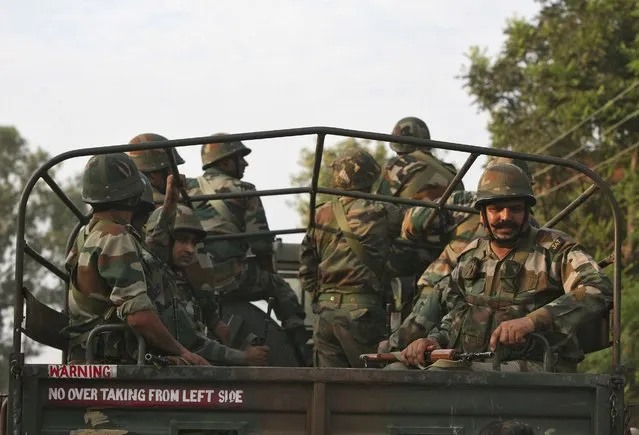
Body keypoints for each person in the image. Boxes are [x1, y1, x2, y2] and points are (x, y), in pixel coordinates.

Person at [398, 162, 613, 372]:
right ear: (482, 214)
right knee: (396, 371)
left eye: (515, 209)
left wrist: (530, 322)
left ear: (527, 212)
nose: (505, 217)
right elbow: (455, 317)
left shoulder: (553, 249)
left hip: (540, 366)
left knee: (443, 375)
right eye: (496, 209)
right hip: (477, 366)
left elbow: (597, 288)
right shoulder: (472, 256)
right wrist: (432, 341)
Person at [64, 153, 207, 366]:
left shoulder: (88, 234)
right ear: (134, 197)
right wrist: (183, 352)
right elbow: (138, 317)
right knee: (204, 370)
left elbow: (150, 251)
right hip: (114, 360)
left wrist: (170, 202)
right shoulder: (116, 237)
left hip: (90, 355)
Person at [381, 158, 534, 352]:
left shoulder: (465, 201)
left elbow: (412, 223)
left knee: (409, 353)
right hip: (485, 308)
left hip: (442, 293)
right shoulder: (530, 225)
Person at [186, 135, 307, 352]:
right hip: (229, 279)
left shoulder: (186, 189)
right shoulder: (244, 190)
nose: (245, 163)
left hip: (191, 280)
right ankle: (303, 353)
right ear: (225, 162)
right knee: (282, 290)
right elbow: (260, 244)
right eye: (240, 158)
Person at [299, 148, 409, 367]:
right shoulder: (383, 211)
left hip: (324, 313)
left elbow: (306, 269)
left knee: (328, 388)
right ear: (371, 176)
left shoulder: (319, 213)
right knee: (369, 385)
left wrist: (324, 297)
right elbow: (415, 230)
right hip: (362, 312)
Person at [144, 202, 270, 366]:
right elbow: (192, 343)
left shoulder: (180, 281)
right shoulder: (155, 278)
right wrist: (244, 357)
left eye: (194, 243)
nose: (190, 249)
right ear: (163, 239)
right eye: (182, 240)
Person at [373, 116, 461, 201]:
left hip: (415, 215)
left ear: (397, 148)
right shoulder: (451, 171)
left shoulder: (400, 164)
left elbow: (379, 204)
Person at [126, 133, 186, 204]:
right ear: (153, 175)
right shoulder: (164, 203)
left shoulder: (128, 200)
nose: (176, 175)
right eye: (170, 170)